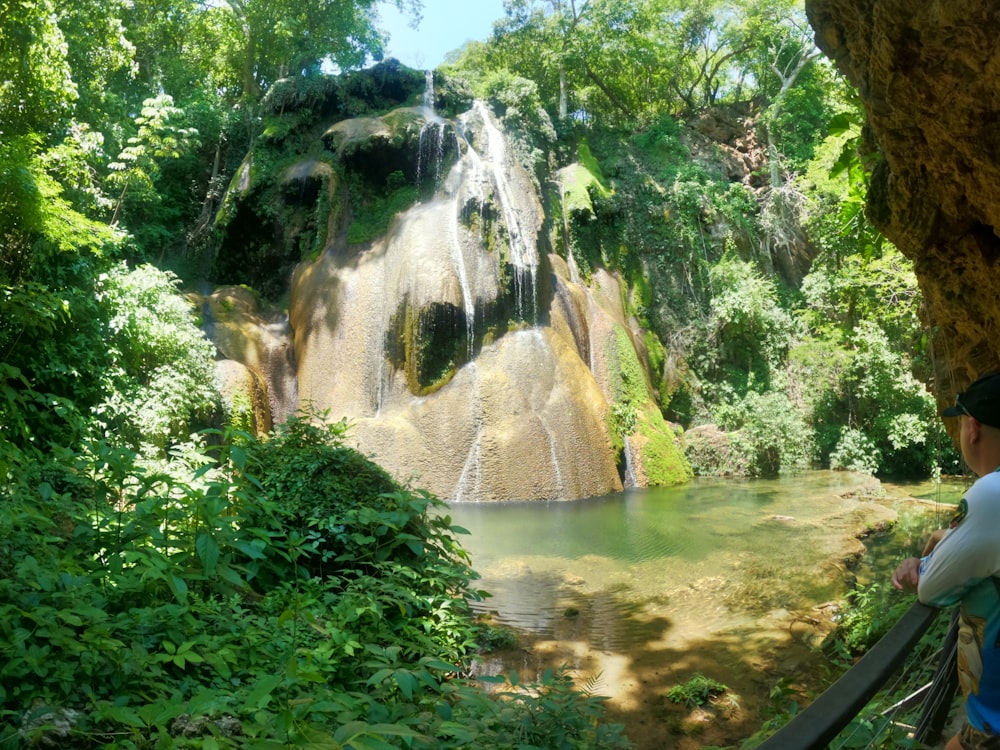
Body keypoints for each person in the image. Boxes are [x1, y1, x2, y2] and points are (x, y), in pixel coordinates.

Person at [892, 371, 1000, 750]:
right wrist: (952, 536)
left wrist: (921, 564)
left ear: (972, 428)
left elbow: (933, 589)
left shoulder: (992, 493)